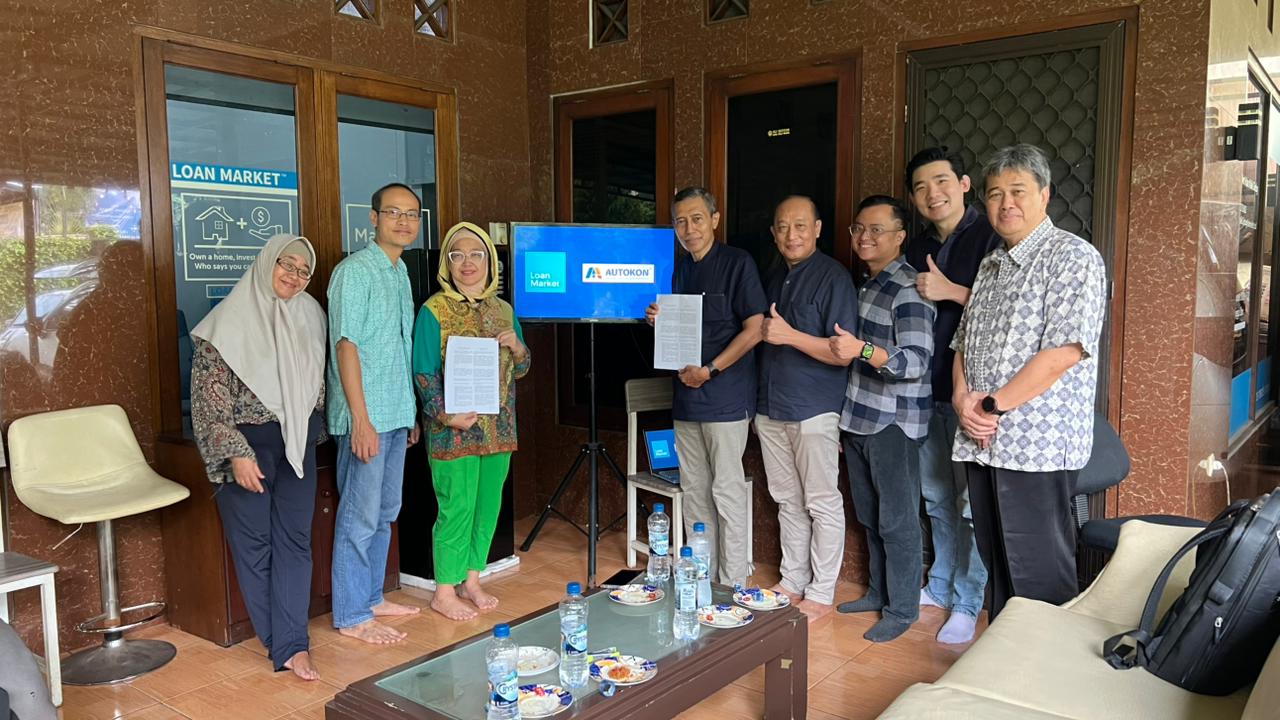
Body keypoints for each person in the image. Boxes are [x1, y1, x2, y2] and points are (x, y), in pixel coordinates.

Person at [952, 144, 1106, 619]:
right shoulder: (991, 263)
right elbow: (961, 344)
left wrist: (991, 407)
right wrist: (962, 400)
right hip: (982, 441)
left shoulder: (1072, 258)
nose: (1005, 204)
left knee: (1037, 571)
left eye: (1017, 191)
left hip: (1033, 448)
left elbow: (1064, 352)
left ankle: (1044, 679)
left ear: (1045, 195)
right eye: (994, 194)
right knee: (997, 562)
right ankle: (1004, 668)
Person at [190, 234, 327, 679]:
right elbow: (209, 402)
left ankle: (291, 643)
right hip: (246, 447)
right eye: (286, 264)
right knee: (256, 547)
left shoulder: (310, 316)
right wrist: (235, 455)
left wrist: (314, 432)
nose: (294, 276)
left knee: (296, 542)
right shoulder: (225, 324)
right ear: (265, 262)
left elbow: (317, 387)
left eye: (304, 270)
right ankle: (284, 643)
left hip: (296, 444)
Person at [644, 187, 767, 588]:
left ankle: (733, 584)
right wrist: (658, 320)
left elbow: (755, 330)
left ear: (714, 219)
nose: (689, 228)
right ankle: (702, 580)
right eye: (681, 221)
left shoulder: (737, 263)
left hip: (726, 400)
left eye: (697, 218)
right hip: (686, 400)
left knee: (727, 493)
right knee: (694, 494)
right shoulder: (679, 269)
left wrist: (710, 370)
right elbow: (681, 327)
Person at [904, 146, 1000, 644]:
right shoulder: (915, 244)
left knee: (970, 506)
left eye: (941, 181)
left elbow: (1009, 312)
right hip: (925, 392)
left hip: (975, 397)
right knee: (937, 498)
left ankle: (967, 601)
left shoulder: (992, 235)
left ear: (964, 184)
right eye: (921, 187)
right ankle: (939, 585)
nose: (932, 193)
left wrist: (951, 291)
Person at [413, 222, 530, 621]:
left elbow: (522, 367)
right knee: (456, 507)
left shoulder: (503, 310)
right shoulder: (433, 311)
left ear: (489, 262)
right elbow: (424, 372)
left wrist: (517, 346)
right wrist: (446, 415)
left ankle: (472, 579)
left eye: (476, 255)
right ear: (447, 262)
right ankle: (444, 590)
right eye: (457, 255)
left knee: (487, 507)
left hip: (499, 428)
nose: (467, 263)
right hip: (453, 431)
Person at [830, 196, 935, 643]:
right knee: (871, 516)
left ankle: (903, 608)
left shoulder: (908, 287)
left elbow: (915, 360)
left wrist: (863, 351)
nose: (864, 237)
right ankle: (878, 592)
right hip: (859, 416)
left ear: (899, 236)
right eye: (859, 229)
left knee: (898, 520)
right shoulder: (867, 283)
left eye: (876, 230)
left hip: (894, 422)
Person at [755, 195, 859, 622]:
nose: (791, 235)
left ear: (817, 229)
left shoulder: (834, 278)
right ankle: (792, 580)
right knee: (786, 500)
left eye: (800, 226)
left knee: (820, 501)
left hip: (814, 409)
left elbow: (843, 353)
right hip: (771, 406)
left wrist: (789, 335)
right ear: (774, 233)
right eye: (782, 227)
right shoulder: (775, 274)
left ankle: (820, 589)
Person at [328, 183, 424, 644]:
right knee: (359, 517)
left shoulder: (400, 271)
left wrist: (411, 414)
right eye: (393, 213)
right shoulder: (355, 272)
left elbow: (397, 349)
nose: (403, 222)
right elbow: (346, 347)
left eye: (411, 214)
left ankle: (371, 597)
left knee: (387, 511)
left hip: (395, 413)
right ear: (372, 218)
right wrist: (361, 420)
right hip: (365, 418)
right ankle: (350, 614)